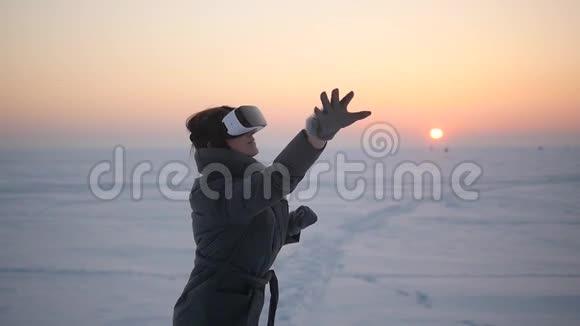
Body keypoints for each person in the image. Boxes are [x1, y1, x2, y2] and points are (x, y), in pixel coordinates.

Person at [173, 89, 372, 326]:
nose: (252, 133)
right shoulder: (210, 189)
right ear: (214, 143)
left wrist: (287, 224)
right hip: (209, 311)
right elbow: (277, 182)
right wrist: (316, 136)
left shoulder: (242, 183)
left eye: (251, 127)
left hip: (239, 306)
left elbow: (239, 236)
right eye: (239, 130)